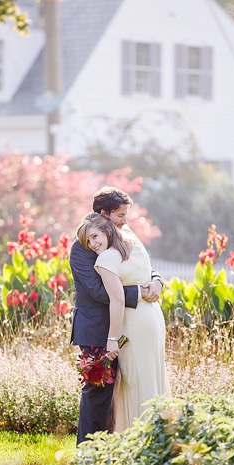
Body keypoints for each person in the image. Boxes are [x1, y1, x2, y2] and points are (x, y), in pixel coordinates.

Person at [70, 186, 165, 444]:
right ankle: (88, 451)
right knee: (97, 393)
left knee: (124, 390)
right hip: (96, 329)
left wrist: (156, 281)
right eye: (121, 215)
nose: (125, 220)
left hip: (125, 326)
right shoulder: (81, 248)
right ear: (105, 214)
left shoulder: (122, 236)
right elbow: (99, 292)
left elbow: (143, 266)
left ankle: (114, 447)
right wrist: (138, 292)